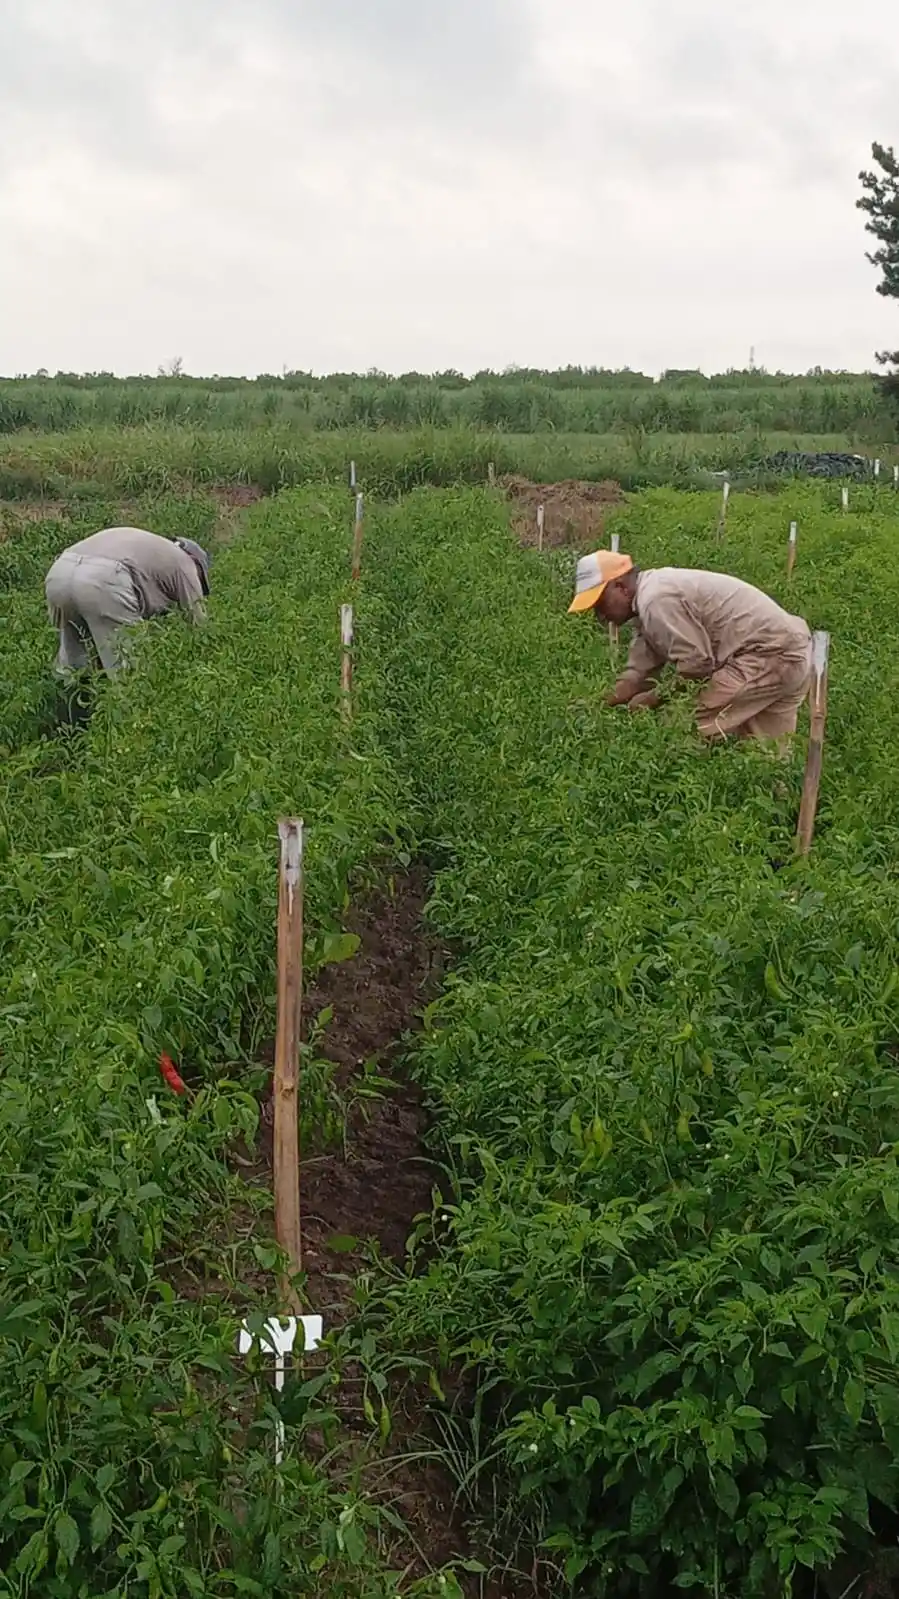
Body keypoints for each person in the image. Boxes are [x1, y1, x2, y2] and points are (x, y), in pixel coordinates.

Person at [568, 549, 812, 743]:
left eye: (600, 604)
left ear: (620, 586)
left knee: (677, 724)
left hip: (769, 656)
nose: (600, 616)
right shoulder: (648, 602)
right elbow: (637, 675)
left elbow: (697, 665)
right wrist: (596, 704)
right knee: (766, 755)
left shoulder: (656, 601)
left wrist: (652, 699)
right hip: (790, 652)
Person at [45, 527, 210, 675]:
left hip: (60, 572)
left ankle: (65, 698)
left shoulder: (154, 546)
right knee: (129, 672)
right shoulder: (186, 563)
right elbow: (197, 624)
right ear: (197, 562)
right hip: (104, 578)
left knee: (74, 662)